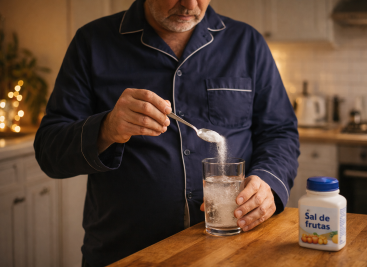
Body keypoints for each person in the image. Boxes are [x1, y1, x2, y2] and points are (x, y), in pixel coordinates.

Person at [34, 0, 299, 266]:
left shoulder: (247, 43)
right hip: (125, 252)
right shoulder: (92, 42)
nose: (189, 4)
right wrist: (107, 128)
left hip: (233, 250)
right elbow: (49, 151)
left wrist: (267, 182)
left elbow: (280, 132)